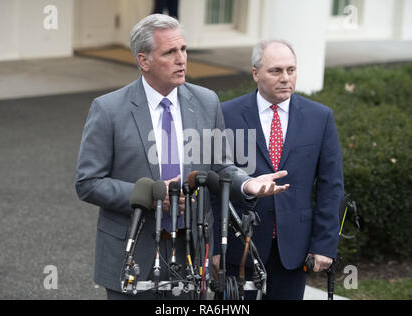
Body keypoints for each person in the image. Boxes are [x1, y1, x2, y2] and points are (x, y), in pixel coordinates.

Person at [75, 15, 289, 300]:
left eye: (184, 50)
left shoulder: (206, 101)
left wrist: (247, 184)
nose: (182, 59)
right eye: (170, 52)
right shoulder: (108, 109)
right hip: (132, 252)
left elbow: (220, 165)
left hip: (192, 251)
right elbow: (88, 182)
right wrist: (150, 195)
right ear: (144, 60)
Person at [212, 40, 344, 300]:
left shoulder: (320, 118)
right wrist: (216, 245)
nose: (285, 78)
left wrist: (325, 245)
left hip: (294, 249)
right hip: (239, 248)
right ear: (255, 73)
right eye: (276, 71)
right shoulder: (227, 115)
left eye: (291, 70)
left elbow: (331, 187)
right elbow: (216, 184)